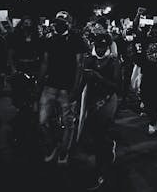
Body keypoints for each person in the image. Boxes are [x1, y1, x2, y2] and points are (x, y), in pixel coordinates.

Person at [38, 11, 88, 164]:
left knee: (68, 122)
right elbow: (45, 63)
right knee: (42, 121)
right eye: (57, 21)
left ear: (69, 23)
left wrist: (75, 88)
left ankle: (64, 151)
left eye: (63, 21)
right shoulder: (50, 40)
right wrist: (39, 83)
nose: (59, 24)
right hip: (50, 86)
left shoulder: (77, 40)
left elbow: (80, 66)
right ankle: (53, 145)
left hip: (67, 88)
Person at [83, 34, 121, 190]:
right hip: (91, 102)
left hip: (107, 100)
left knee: (100, 135)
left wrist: (98, 77)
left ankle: (101, 173)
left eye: (103, 47)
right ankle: (109, 146)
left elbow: (117, 86)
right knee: (94, 135)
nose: (100, 50)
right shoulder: (89, 60)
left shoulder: (114, 62)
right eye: (98, 46)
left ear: (108, 47)